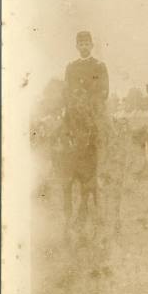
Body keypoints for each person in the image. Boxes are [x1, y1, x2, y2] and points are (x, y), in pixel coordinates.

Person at [61, 31, 110, 224]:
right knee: (60, 133)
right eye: (80, 43)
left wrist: (89, 103)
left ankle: (102, 169)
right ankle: (61, 167)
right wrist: (72, 103)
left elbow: (104, 90)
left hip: (94, 110)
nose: (84, 46)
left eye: (86, 43)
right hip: (74, 110)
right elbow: (66, 89)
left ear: (91, 45)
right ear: (76, 46)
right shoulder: (71, 67)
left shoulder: (99, 66)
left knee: (103, 133)